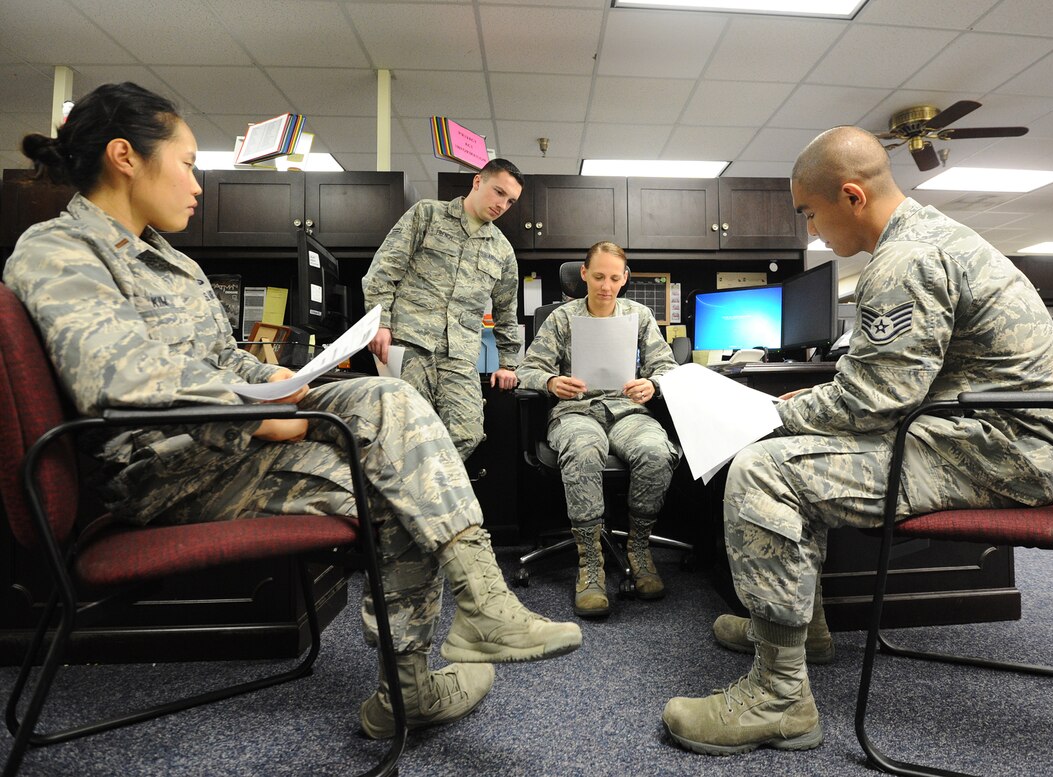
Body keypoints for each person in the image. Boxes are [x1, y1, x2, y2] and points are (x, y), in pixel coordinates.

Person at [4, 82, 582, 742]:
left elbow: (224, 357)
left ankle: (482, 603)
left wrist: (272, 377)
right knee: (401, 486)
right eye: (189, 163)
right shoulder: (58, 251)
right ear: (124, 157)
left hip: (228, 441)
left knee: (391, 402)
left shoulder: (176, 264)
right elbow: (116, 377)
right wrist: (254, 414)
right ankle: (412, 686)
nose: (198, 183)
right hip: (171, 469)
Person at [661, 125, 1053, 756]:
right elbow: (888, 386)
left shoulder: (904, 259)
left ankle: (779, 698)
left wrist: (771, 416)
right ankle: (802, 634)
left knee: (764, 468)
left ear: (852, 196)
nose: (812, 231)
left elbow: (873, 399)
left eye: (810, 213)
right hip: (1003, 437)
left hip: (1005, 451)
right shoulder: (929, 236)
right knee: (799, 454)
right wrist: (802, 408)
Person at [517, 242, 679, 617]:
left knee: (656, 452)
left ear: (624, 279)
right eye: (599, 276)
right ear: (584, 275)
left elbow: (667, 368)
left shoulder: (639, 315)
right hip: (576, 411)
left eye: (614, 278)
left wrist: (653, 384)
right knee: (584, 450)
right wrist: (551, 382)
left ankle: (638, 549)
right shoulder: (561, 318)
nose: (606, 286)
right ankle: (590, 564)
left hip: (626, 410)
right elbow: (528, 370)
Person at [362, 158, 524, 461]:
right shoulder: (428, 214)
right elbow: (384, 270)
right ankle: (409, 489)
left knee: (467, 434)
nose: (502, 205)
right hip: (410, 341)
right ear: (478, 181)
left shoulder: (502, 249)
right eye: (499, 192)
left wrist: (508, 364)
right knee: (410, 430)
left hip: (459, 354)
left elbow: (506, 310)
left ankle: (420, 485)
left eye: (510, 201)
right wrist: (380, 322)